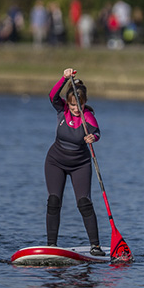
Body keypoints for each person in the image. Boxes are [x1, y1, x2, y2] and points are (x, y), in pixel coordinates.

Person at [44, 68, 104, 255]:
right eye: (72, 106)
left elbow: (97, 132)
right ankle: (52, 245)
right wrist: (64, 78)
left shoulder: (88, 116)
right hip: (55, 161)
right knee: (54, 200)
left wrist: (93, 138)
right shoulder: (62, 109)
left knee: (84, 203)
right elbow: (52, 95)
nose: (75, 109)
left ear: (84, 103)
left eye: (79, 105)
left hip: (80, 164)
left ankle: (95, 246)